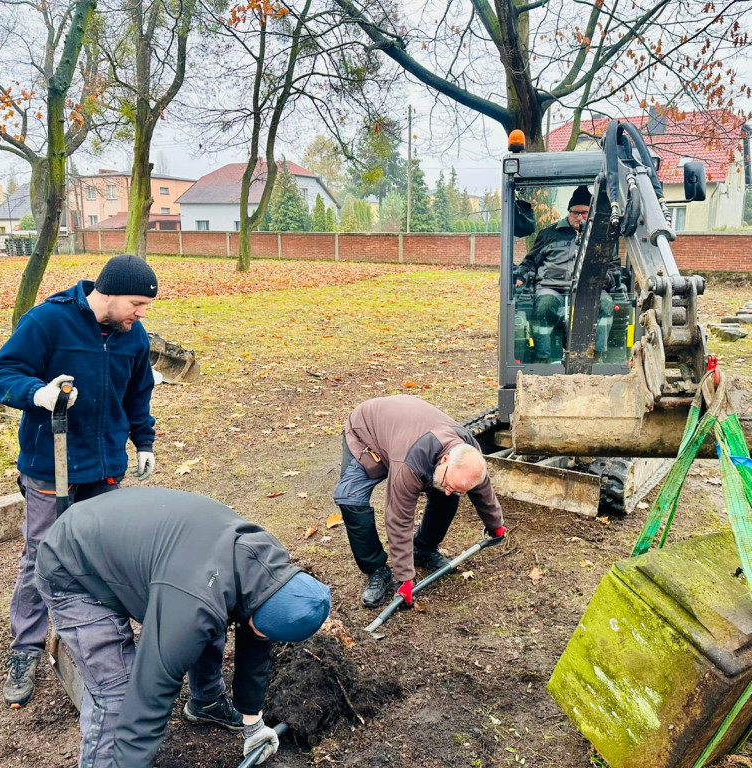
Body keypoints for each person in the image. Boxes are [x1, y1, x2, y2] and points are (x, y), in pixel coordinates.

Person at [36, 487, 331, 768]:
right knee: (117, 695)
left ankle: (206, 702)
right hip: (72, 566)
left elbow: (255, 641)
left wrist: (252, 722)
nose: (260, 637)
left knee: (213, 618)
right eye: (262, 631)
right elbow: (149, 697)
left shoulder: (267, 569)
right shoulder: (192, 605)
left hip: (134, 546)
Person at [0, 253, 159, 708]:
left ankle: (99, 640)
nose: (142, 314)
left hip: (103, 467)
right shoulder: (48, 321)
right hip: (51, 464)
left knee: (100, 555)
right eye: (137, 304)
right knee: (42, 555)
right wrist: (37, 393)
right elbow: (1, 372)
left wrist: (143, 442)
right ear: (109, 293)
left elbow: (138, 393)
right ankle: (25, 648)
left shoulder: (132, 336)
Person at [333, 395, 506, 609]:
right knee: (351, 500)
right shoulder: (411, 463)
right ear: (445, 460)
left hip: (402, 436)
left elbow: (482, 487)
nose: (450, 490)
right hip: (367, 434)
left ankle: (423, 549)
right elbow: (399, 519)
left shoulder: (468, 453)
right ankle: (376, 570)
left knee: (446, 493)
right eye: (449, 482)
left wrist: (495, 524)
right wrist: (405, 579)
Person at [513, 184, 591, 362]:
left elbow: (611, 266)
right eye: (575, 213)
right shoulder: (549, 234)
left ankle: (594, 358)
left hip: (585, 289)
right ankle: (542, 358)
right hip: (551, 287)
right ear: (569, 212)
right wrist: (521, 276)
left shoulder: (598, 238)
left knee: (605, 304)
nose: (579, 217)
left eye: (584, 213)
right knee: (544, 307)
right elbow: (531, 260)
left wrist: (603, 281)